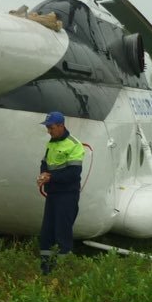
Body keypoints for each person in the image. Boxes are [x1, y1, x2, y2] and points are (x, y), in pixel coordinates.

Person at [36, 110, 85, 275]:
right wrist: (43, 174)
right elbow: (45, 163)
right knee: (47, 232)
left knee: (62, 233)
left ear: (61, 125)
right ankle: (46, 270)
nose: (48, 131)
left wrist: (50, 177)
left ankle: (61, 273)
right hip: (53, 194)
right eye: (48, 128)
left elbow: (73, 173)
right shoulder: (51, 142)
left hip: (67, 195)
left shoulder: (74, 144)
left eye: (51, 127)